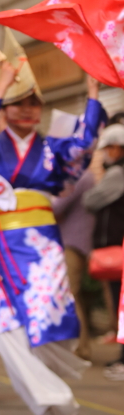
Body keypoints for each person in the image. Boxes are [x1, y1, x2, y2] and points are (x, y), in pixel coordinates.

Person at [0, 28, 106, 415]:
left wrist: (93, 94)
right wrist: (1, 84)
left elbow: (83, 144)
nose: (27, 110)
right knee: (5, 330)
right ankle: (47, 408)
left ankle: (50, 400)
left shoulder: (52, 149)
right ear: (5, 108)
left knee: (42, 325)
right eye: (18, 103)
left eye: (34, 103)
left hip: (42, 249)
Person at [83, 124, 124, 379]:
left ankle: (122, 360)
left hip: (116, 248)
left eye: (108, 148)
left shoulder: (117, 173)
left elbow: (91, 200)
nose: (106, 153)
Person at [53, 170, 96, 360]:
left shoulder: (79, 176)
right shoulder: (84, 175)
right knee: (73, 294)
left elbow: (55, 207)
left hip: (73, 243)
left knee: (70, 294)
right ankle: (80, 346)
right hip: (76, 242)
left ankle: (80, 348)